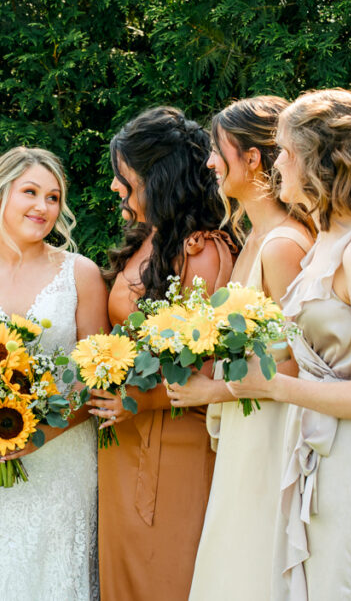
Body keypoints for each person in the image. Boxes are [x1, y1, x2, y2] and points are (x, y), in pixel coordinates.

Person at [226, 89, 351, 600]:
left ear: (319, 160)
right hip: (324, 455)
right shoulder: (326, 241)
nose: (279, 164)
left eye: (286, 152)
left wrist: (275, 389)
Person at [0, 146, 109, 600]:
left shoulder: (81, 275)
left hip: (61, 456)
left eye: (53, 197)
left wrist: (38, 435)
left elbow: (96, 378)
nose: (43, 207)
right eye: (30, 192)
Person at [84, 106, 237, 600]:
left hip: (175, 445)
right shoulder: (143, 240)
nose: (115, 187)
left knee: (170, 575)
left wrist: (139, 400)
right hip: (121, 445)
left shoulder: (203, 250)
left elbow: (210, 367)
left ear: (159, 177)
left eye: (124, 176)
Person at [166, 96, 314, 600]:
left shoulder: (283, 245)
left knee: (254, 570)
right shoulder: (252, 236)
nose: (209, 162)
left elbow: (297, 363)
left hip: (271, 435)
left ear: (252, 158)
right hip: (247, 428)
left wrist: (210, 390)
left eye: (217, 149)